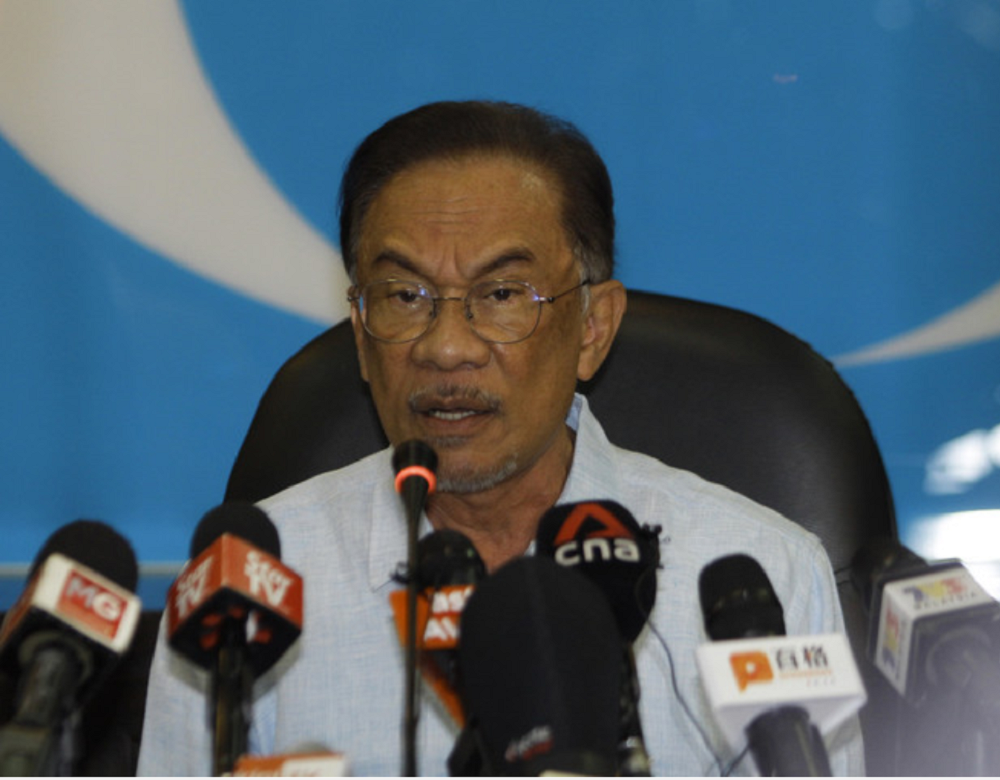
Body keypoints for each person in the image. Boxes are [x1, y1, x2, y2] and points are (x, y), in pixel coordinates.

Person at [137, 100, 864, 775]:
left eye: (503, 295)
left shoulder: (764, 574)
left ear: (593, 328)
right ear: (360, 335)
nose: (447, 347)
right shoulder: (239, 594)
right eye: (403, 297)